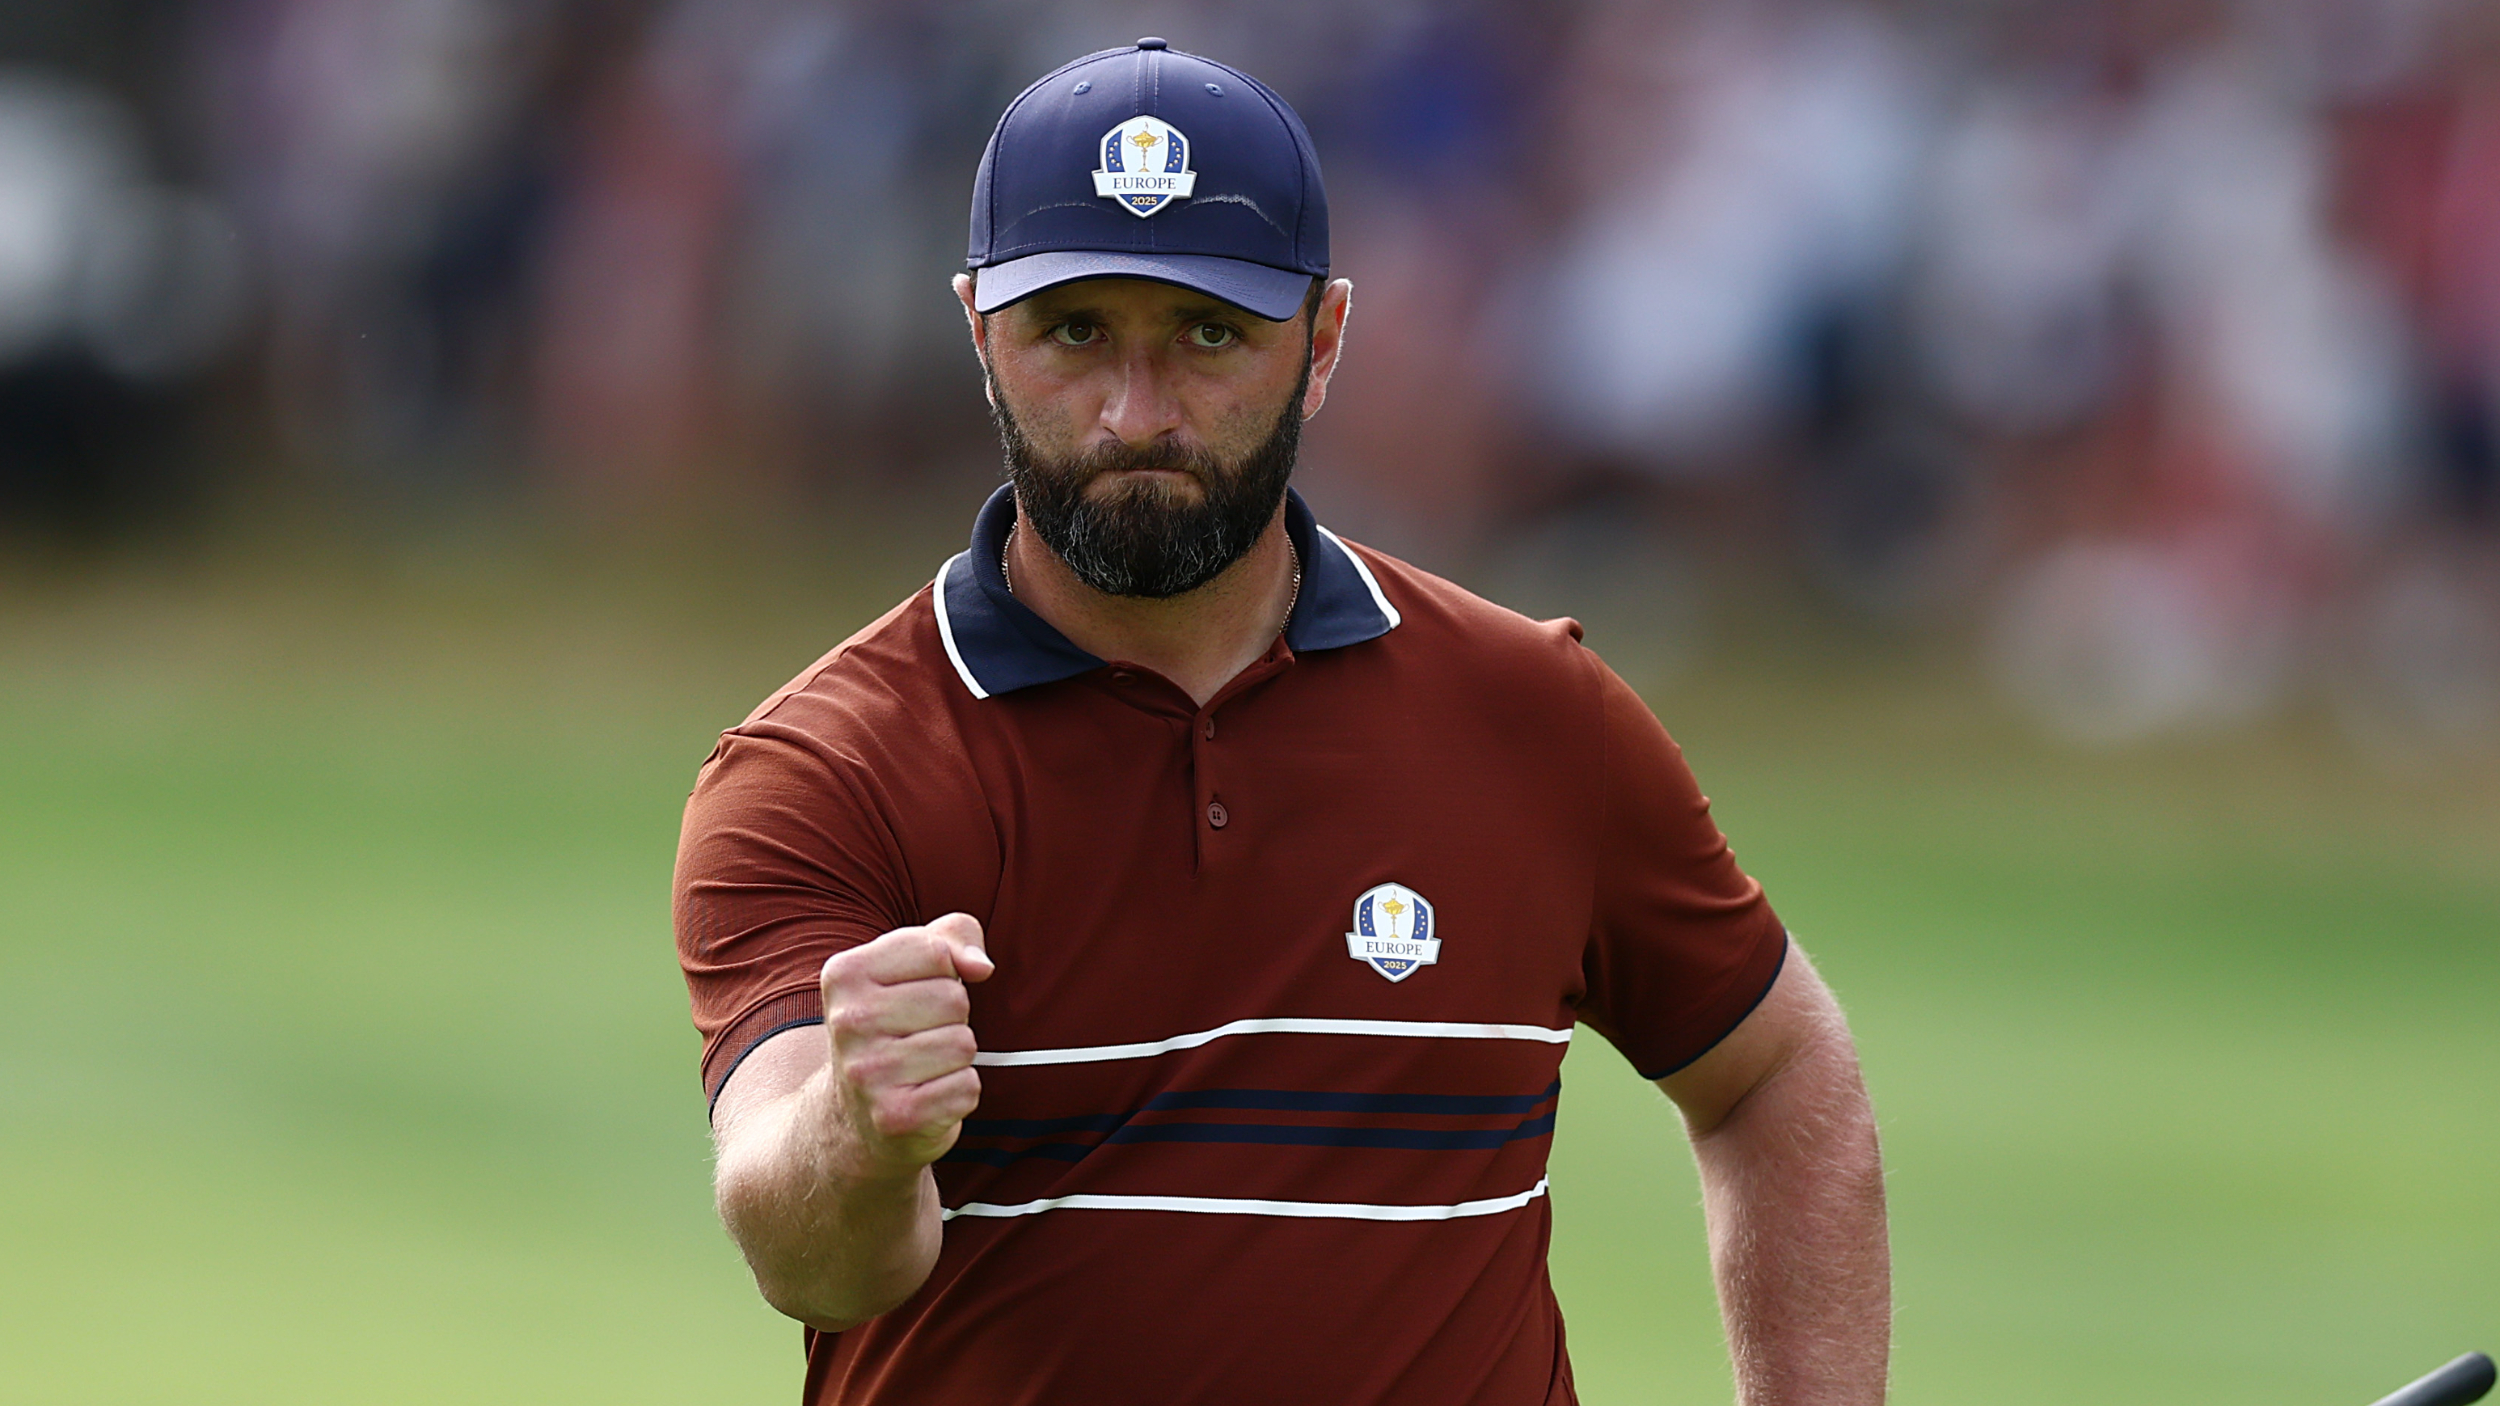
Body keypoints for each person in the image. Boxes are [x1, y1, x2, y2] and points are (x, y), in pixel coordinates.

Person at [674, 38, 1889, 1406]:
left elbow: (1776, 1066)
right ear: (980, 336)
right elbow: (814, 1261)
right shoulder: (823, 771)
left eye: (1208, 335)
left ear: (1321, 344)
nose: (1138, 410)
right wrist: (856, 1129)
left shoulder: (1534, 719)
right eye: (1075, 332)